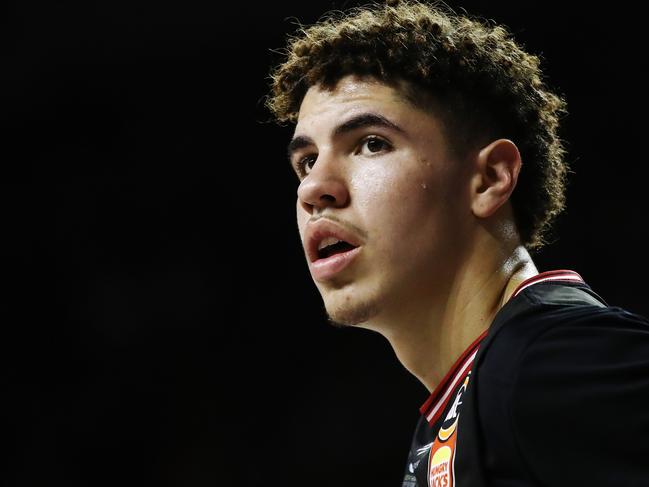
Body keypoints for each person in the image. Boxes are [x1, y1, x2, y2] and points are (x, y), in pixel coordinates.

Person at [266, 1, 649, 485]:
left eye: (371, 143)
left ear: (489, 179)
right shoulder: (466, 405)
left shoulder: (555, 362)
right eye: (306, 162)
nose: (313, 189)